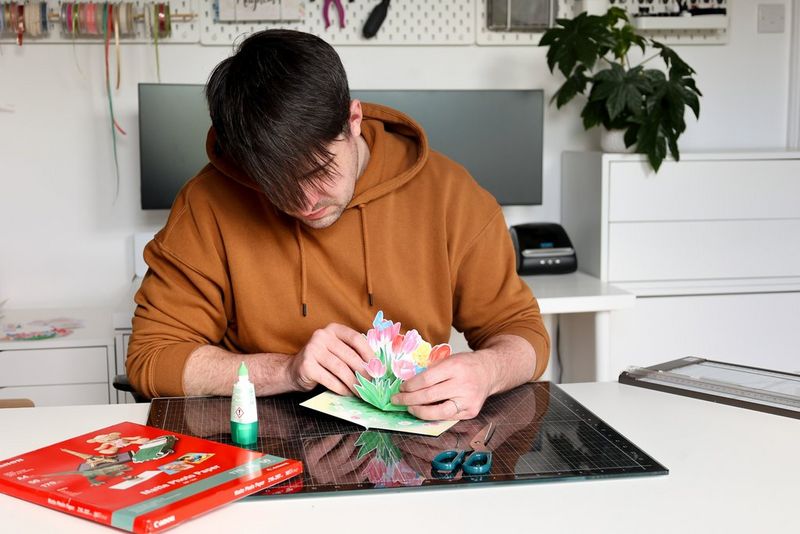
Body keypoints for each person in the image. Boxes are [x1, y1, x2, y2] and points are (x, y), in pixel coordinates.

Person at [127, 29, 550, 421]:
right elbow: (152, 359)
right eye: (275, 185)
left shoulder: (451, 194)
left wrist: (488, 370)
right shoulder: (206, 205)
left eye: (320, 171)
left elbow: (521, 332)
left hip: (414, 442)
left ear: (353, 119)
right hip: (260, 441)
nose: (305, 202)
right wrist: (286, 371)